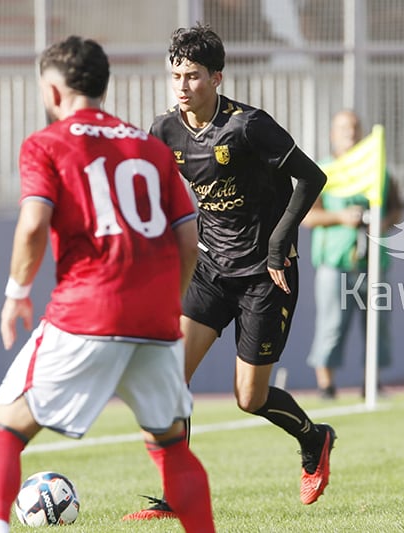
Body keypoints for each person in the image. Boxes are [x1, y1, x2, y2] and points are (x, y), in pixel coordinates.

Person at [0, 36, 215, 532]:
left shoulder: (46, 143)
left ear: (52, 92)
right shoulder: (150, 147)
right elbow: (188, 238)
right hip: (155, 318)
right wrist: (168, 304)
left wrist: (16, 293)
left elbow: (32, 225)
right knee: (171, 445)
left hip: (87, 309)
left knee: (6, 429)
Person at [123, 24, 333, 520]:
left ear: (217, 78)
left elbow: (311, 177)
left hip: (266, 276)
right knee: (170, 378)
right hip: (210, 270)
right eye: (176, 75)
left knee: (249, 398)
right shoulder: (165, 131)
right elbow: (153, 192)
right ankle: (177, 496)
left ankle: (314, 438)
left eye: (193, 75)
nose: (182, 85)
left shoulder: (248, 126)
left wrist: (279, 243)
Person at [302, 110, 403, 400]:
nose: (350, 133)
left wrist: (380, 222)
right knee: (331, 325)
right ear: (332, 134)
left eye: (355, 128)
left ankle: (372, 383)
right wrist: (341, 217)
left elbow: (396, 208)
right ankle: (326, 386)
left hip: (373, 263)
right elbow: (308, 216)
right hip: (335, 263)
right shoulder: (322, 171)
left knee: (377, 326)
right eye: (344, 128)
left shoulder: (377, 170)